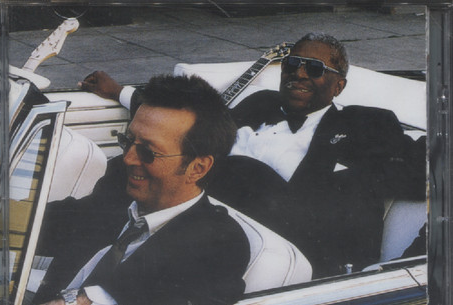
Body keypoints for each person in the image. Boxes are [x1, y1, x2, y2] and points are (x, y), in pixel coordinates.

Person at [79, 32, 425, 278]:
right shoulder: (259, 103)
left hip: (281, 241)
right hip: (194, 213)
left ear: (339, 86)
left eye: (314, 69)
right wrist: (120, 92)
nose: (299, 74)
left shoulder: (366, 123)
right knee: (132, 160)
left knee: (239, 171)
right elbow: (194, 127)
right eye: (292, 64)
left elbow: (424, 169)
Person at [16, 74, 250, 305]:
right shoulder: (121, 188)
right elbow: (57, 221)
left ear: (198, 167)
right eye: (128, 141)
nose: (128, 158)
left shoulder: (221, 242)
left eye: (148, 152)